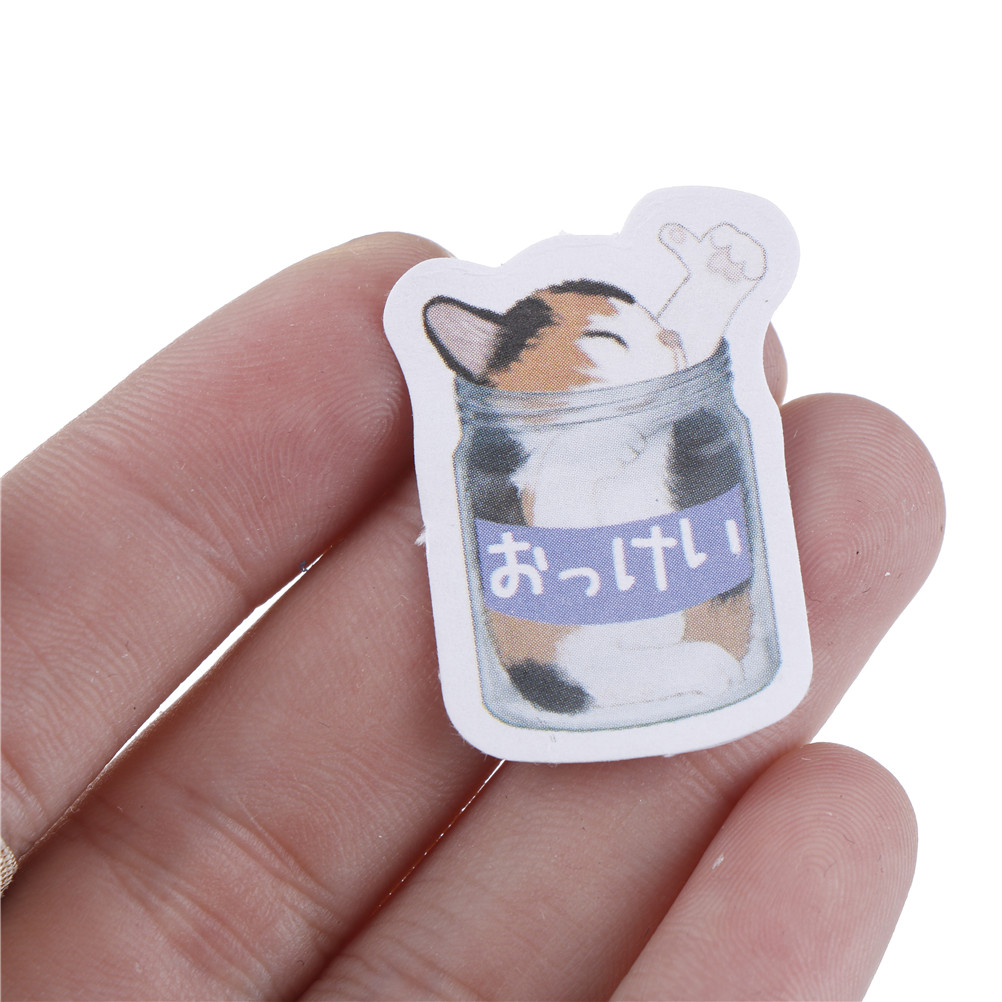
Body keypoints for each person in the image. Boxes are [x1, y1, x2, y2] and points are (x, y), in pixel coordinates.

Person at [0, 232, 945, 1001]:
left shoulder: (669, 429)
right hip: (562, 640)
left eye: (656, 337)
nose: (653, 355)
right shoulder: (517, 443)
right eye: (615, 345)